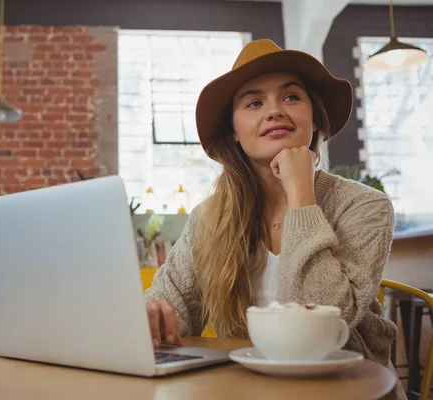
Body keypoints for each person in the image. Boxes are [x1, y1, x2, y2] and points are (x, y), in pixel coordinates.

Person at [144, 39, 405, 398]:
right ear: (234, 132)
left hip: (349, 390)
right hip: (247, 390)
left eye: (291, 97)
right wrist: (153, 315)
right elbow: (169, 311)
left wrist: (300, 196)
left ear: (314, 119)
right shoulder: (210, 217)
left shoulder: (365, 206)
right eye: (254, 102)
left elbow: (324, 327)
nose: (274, 111)